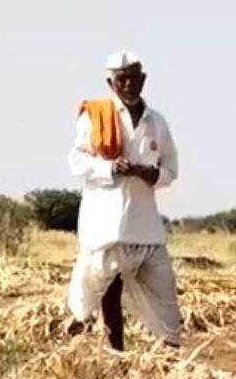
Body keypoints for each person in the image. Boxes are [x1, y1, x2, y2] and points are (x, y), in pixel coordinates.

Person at [66, 50, 182, 351]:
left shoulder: (156, 122)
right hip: (108, 225)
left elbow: (171, 170)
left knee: (164, 292)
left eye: (134, 78)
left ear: (143, 80)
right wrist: (108, 168)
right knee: (106, 288)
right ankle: (113, 350)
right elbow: (77, 162)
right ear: (111, 83)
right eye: (122, 80)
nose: (129, 85)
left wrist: (148, 173)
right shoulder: (95, 116)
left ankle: (171, 354)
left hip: (146, 225)